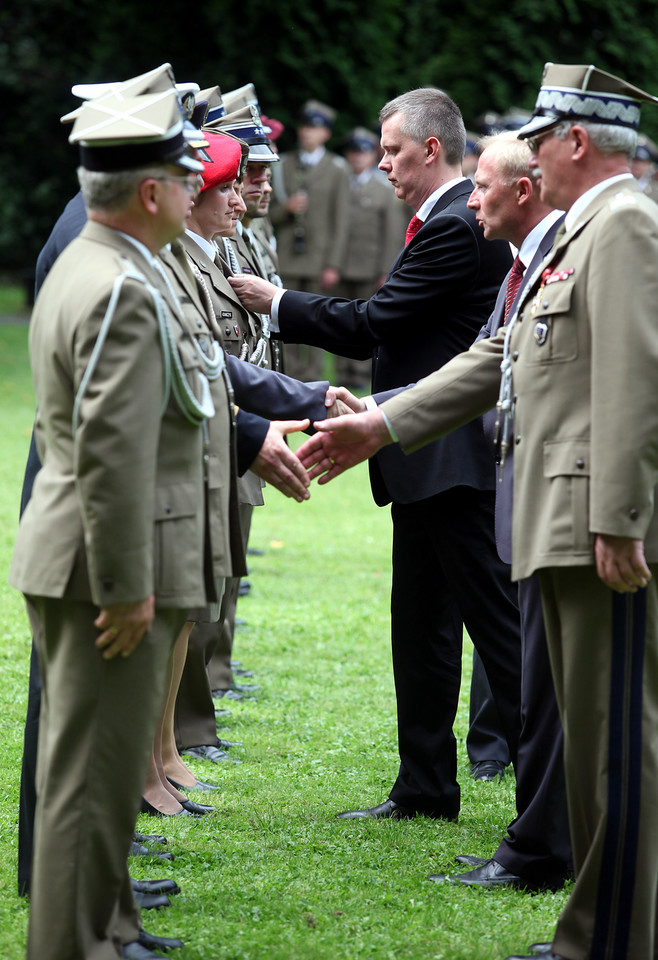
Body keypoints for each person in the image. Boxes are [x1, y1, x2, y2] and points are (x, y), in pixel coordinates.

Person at [296, 63, 658, 960]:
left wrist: (619, 517)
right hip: (557, 522)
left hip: (592, 529)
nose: (527, 157)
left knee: (614, 739)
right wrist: (380, 424)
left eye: (538, 140)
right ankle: (594, 923)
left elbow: (637, 381)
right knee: (585, 734)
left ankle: (616, 935)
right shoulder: (583, 231)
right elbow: (490, 359)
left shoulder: (624, 226)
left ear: (575, 142)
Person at [230, 87, 522, 825]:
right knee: (419, 624)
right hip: (421, 454)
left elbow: (375, 323)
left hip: (453, 457)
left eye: (393, 151)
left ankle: (558, 799)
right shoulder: (444, 219)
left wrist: (276, 302)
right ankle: (424, 789)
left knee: (500, 637)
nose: (383, 164)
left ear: (431, 149)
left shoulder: (457, 224)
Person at [9, 87, 214, 960]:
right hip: (105, 572)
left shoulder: (91, 266)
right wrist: (131, 588)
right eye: (181, 172)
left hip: (80, 558)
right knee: (88, 784)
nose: (197, 182)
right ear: (149, 192)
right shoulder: (121, 287)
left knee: (84, 775)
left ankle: (103, 929)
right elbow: (111, 453)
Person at [268, 99, 351, 380]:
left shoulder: (338, 169)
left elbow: (341, 222)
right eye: (304, 126)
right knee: (286, 319)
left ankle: (314, 380)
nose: (306, 133)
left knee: (316, 322)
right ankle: (291, 377)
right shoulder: (284, 164)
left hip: (319, 259)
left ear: (326, 133)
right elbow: (268, 214)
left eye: (314, 128)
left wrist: (334, 265)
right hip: (289, 258)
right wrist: (287, 208)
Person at [333, 125, 407, 389]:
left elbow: (391, 233)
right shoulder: (340, 185)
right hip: (342, 264)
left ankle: (360, 373)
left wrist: (385, 270)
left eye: (362, 154)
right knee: (340, 317)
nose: (357, 158)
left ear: (370, 157)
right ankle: (342, 370)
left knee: (367, 321)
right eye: (352, 153)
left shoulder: (384, 190)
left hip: (370, 265)